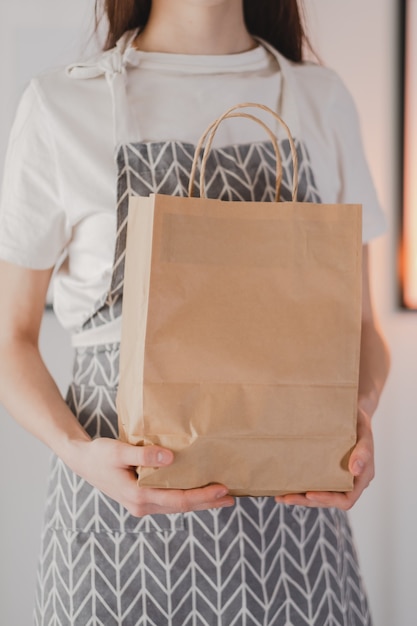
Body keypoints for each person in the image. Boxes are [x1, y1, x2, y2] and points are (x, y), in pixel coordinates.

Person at [0, 0, 390, 624]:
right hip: (120, 535)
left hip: (294, 549)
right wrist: (78, 453)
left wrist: (360, 414)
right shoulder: (62, 105)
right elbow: (9, 340)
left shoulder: (322, 99)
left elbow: (364, 330)